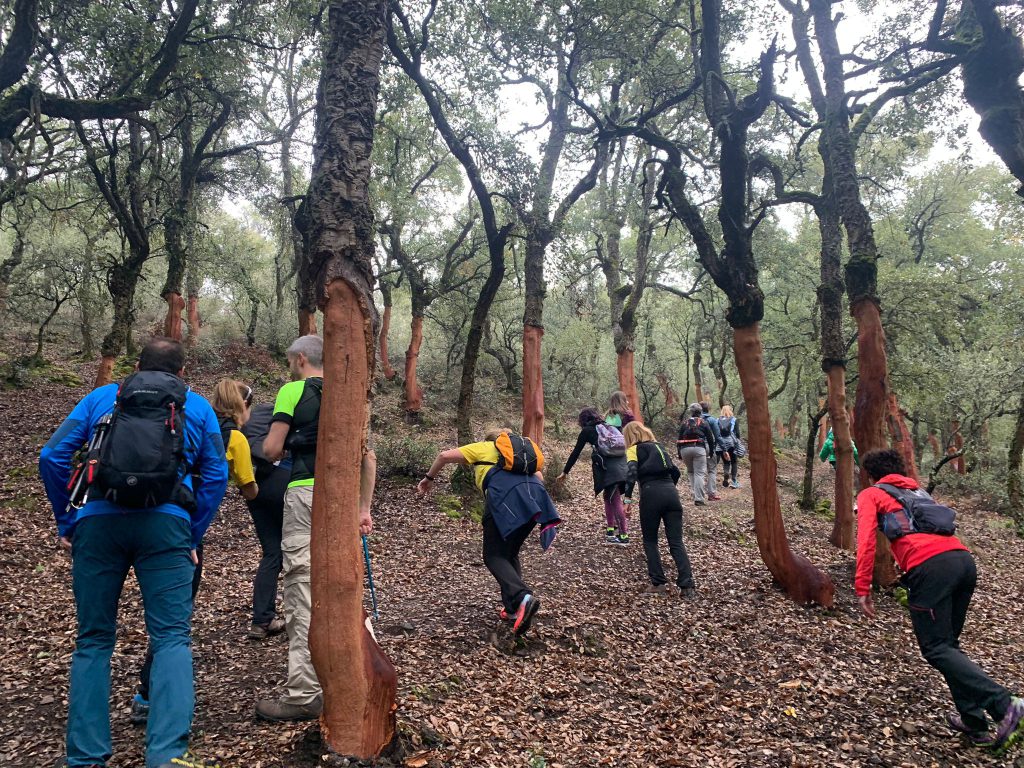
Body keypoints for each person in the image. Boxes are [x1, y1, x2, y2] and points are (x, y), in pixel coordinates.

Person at [39, 337, 228, 768]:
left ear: (136, 367)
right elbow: (216, 475)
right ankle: (166, 756)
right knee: (171, 638)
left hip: (97, 525)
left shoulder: (102, 398)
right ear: (182, 373)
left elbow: (51, 456)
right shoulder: (195, 406)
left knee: (93, 640)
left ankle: (86, 758)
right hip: (166, 527)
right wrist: (193, 533)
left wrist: (67, 521)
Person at [856, 449, 1023, 750]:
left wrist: (862, 586)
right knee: (948, 646)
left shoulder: (872, 493)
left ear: (870, 474)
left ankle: (1005, 705)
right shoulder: (917, 491)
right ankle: (974, 724)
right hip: (962, 562)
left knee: (936, 648)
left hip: (931, 570)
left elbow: (866, 540)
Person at [255, 335, 375, 722]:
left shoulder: (293, 391)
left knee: (302, 589)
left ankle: (305, 692)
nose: (291, 366)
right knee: (344, 585)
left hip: (305, 494)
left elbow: (272, 450)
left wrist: (273, 443)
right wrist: (363, 508)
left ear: (301, 359)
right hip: (342, 498)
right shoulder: (350, 394)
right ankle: (356, 680)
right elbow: (367, 457)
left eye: (292, 361)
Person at [130, 378, 261, 725]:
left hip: (138, 512)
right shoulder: (235, 438)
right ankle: (153, 698)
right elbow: (247, 487)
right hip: (182, 527)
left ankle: (148, 692)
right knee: (174, 618)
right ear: (243, 406)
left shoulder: (190, 421)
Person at [417, 427, 558, 637]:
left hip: (505, 502)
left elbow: (444, 456)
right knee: (508, 554)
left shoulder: (485, 448)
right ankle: (513, 609)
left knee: (493, 555)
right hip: (534, 501)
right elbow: (539, 477)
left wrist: (428, 479)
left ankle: (522, 597)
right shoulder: (521, 456)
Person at [622, 422, 696, 598]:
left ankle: (658, 583)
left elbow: (631, 473)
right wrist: (668, 487)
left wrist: (627, 499)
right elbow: (676, 472)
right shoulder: (659, 447)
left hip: (650, 494)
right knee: (676, 541)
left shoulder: (634, 449)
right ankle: (687, 587)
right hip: (671, 493)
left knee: (650, 541)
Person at [241, 401, 288, 640]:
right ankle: (302, 617)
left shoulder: (257, 415)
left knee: (272, 553)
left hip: (257, 485)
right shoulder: (291, 415)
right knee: (297, 549)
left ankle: (262, 620)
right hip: (283, 483)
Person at [558, 407, 630, 544]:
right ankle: (610, 531)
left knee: (614, 500)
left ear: (583, 420)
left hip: (609, 469)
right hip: (622, 466)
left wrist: (565, 471)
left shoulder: (587, 431)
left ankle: (624, 536)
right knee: (608, 497)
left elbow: (575, 452)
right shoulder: (609, 426)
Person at [677, 403, 715, 506]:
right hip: (698, 448)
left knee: (690, 472)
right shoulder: (703, 422)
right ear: (700, 412)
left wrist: (679, 453)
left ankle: (695, 493)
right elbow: (710, 438)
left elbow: (679, 438)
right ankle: (699, 499)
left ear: (691, 412)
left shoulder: (685, 423)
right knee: (699, 473)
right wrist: (711, 451)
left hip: (684, 449)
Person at [699, 401, 724, 500]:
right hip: (709, 446)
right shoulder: (712, 420)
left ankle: (698, 495)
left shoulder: (693, 420)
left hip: (697, 446)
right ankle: (712, 494)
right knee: (712, 470)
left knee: (698, 472)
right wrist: (724, 449)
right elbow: (718, 436)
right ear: (708, 409)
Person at [719, 405, 742, 489]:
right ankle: (734, 481)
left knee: (726, 461)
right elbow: (738, 434)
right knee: (734, 461)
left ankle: (726, 473)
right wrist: (737, 442)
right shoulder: (734, 419)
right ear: (730, 411)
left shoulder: (718, 420)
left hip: (721, 443)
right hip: (732, 443)